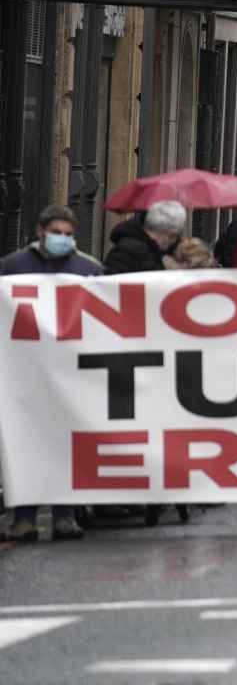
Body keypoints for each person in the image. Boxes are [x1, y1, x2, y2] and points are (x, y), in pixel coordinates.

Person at [2, 205, 103, 541]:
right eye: (56, 232)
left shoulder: (88, 270)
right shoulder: (13, 267)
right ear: (39, 231)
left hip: (70, 373)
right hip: (24, 373)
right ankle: (24, 518)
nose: (62, 238)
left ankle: (65, 515)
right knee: (24, 443)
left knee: (67, 443)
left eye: (68, 233)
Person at [104, 200, 186, 274]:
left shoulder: (162, 251)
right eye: (173, 235)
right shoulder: (125, 252)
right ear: (163, 231)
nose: (173, 241)